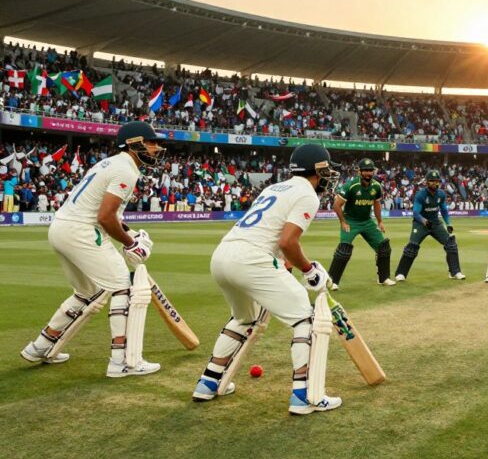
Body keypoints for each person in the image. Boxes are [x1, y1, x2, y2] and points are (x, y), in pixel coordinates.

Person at [191, 143, 342, 415]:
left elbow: (274, 238)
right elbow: (287, 241)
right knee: (304, 319)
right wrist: (310, 271)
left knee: (243, 318)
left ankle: (208, 382)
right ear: (316, 170)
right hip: (251, 259)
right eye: (325, 170)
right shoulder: (308, 193)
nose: (328, 176)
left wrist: (287, 267)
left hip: (223, 255)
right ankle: (304, 396)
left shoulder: (275, 187)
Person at [20, 121, 165, 377]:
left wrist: (130, 233)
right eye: (151, 142)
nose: (156, 148)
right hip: (81, 231)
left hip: (61, 228)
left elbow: (109, 214)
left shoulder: (111, 163)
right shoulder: (127, 170)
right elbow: (105, 217)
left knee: (86, 291)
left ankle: (39, 346)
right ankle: (122, 361)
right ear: (135, 144)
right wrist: (131, 244)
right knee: (122, 286)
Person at [327, 158, 394, 287]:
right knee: (343, 250)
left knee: (383, 248)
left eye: (370, 171)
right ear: (359, 172)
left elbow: (377, 204)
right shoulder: (351, 185)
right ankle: (333, 281)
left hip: (367, 222)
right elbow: (336, 204)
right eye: (365, 171)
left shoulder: (376, 186)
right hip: (351, 222)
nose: (368, 174)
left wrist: (380, 222)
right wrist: (343, 222)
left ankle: (383, 278)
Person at [394, 169, 465, 281]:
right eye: (431, 181)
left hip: (435, 223)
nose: (434, 183)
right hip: (420, 224)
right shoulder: (420, 195)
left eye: (436, 181)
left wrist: (448, 224)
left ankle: (455, 272)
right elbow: (416, 213)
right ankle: (401, 273)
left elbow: (444, 211)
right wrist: (424, 221)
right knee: (412, 247)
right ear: (426, 182)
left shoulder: (441, 194)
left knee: (451, 244)